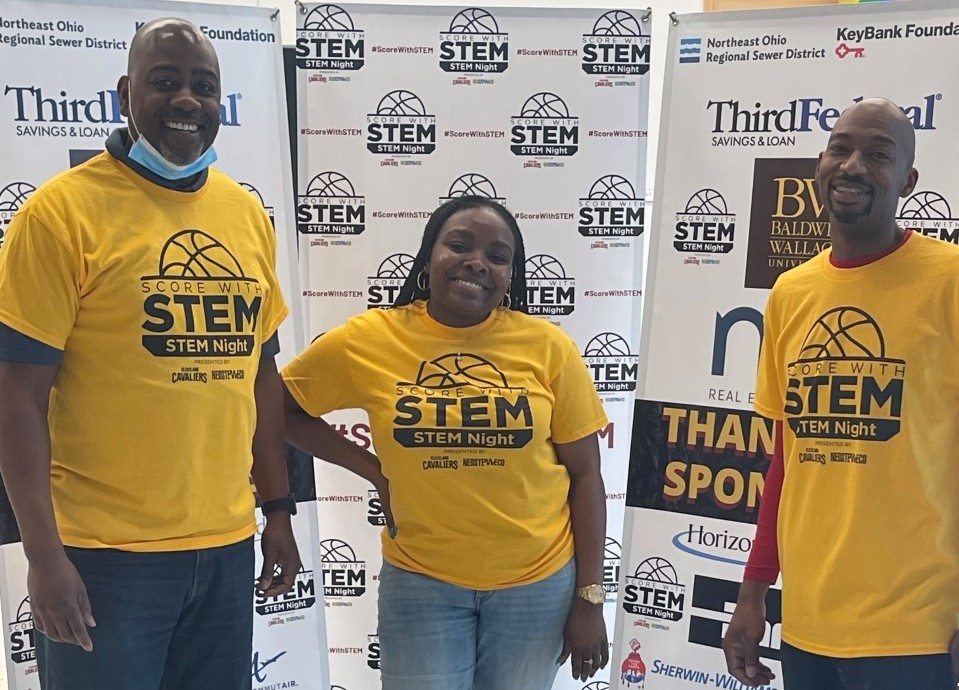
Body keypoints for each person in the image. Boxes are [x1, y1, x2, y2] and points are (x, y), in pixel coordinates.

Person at [0, 18, 301, 689]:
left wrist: (277, 513)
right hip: (106, 559)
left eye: (204, 86)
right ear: (124, 92)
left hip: (224, 549)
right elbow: (18, 394)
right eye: (164, 82)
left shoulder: (245, 214)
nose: (186, 100)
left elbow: (259, 378)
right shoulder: (59, 214)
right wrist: (44, 557)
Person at [282, 195, 610, 690]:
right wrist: (373, 470)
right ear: (429, 254)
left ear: (509, 275)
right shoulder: (370, 339)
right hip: (421, 582)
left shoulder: (548, 348)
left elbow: (586, 477)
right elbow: (282, 409)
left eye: (498, 256)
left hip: (537, 586)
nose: (477, 262)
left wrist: (589, 596)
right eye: (459, 245)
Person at [722, 98, 959, 690]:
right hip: (807, 623)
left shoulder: (950, 279)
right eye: (840, 148)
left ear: (908, 180)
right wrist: (753, 594)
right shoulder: (791, 291)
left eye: (877, 154)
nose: (852, 165)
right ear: (820, 163)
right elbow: (786, 461)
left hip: (920, 630)